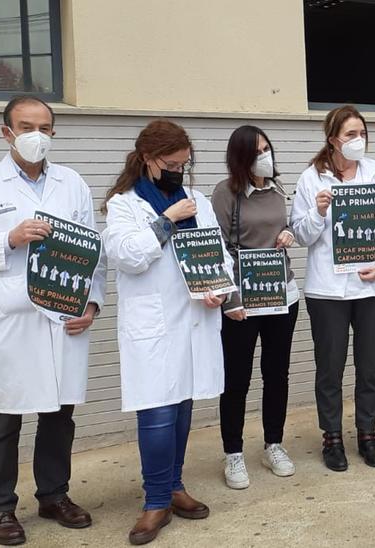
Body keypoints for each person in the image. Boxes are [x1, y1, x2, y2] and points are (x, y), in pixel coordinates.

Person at [0, 96, 104, 546]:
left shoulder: (72, 182)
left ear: (53, 132)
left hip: (65, 315)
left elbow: (94, 252)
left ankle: (54, 495)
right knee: (6, 416)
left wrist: (91, 304)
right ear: (6, 132)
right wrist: (8, 239)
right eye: (26, 126)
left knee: (59, 414)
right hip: (13, 317)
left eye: (45, 127)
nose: (37, 135)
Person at [102, 120, 230, 545]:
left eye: (184, 163)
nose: (178, 170)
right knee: (156, 412)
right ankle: (155, 500)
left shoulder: (196, 199)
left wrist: (219, 288)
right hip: (153, 324)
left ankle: (174, 486)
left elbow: (216, 251)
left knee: (181, 408)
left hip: (194, 317)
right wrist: (166, 220)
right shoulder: (124, 204)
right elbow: (126, 256)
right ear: (147, 159)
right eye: (171, 163)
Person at [291, 105, 375, 472]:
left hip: (371, 286)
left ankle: (367, 433)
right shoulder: (312, 179)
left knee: (369, 366)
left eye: (362, 133)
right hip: (328, 292)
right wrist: (319, 212)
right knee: (330, 368)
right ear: (332, 140)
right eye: (350, 135)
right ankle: (332, 437)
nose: (358, 141)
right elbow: (301, 234)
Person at [211, 125, 301, 489]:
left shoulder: (278, 188)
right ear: (241, 157)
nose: (265, 155)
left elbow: (284, 226)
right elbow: (215, 248)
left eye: (267, 148)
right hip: (242, 301)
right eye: (257, 151)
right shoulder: (226, 193)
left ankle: (273, 444)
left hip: (282, 294)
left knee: (277, 375)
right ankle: (233, 452)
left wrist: (289, 233)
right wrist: (229, 299)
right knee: (236, 379)